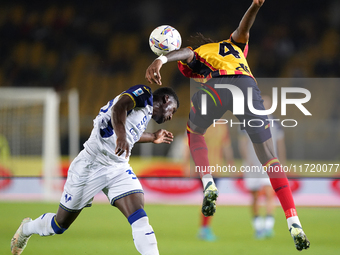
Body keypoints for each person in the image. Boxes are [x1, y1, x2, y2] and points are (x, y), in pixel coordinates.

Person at [145, 0, 310, 251]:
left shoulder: (201, 52)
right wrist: (255, 5)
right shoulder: (235, 47)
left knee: (194, 131)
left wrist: (161, 60)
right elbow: (244, 29)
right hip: (247, 86)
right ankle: (293, 219)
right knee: (269, 156)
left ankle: (207, 180)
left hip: (219, 85)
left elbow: (188, 54)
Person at [11, 84, 179, 255]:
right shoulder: (144, 94)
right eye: (172, 110)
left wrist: (152, 137)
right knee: (59, 224)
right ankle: (27, 228)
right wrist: (121, 136)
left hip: (117, 168)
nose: (171, 117)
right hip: (90, 165)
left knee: (140, 218)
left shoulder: (144, 114)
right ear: (166, 99)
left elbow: (130, 134)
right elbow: (119, 107)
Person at [239, 95, 286, 239]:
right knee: (254, 197)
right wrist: (247, 160)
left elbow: (280, 144)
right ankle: (258, 227)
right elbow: (242, 143)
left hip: (270, 164)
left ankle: (268, 227)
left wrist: (281, 162)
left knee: (270, 194)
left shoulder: (275, 123)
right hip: (253, 165)